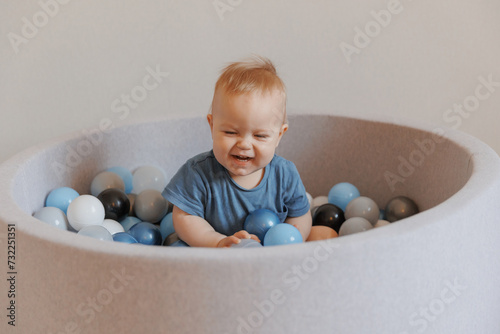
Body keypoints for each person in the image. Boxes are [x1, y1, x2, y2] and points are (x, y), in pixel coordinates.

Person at [164, 55, 311, 247]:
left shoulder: (285, 174)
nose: (244, 144)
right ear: (212, 125)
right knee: (180, 254)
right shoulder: (197, 173)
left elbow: (300, 216)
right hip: (212, 259)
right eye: (231, 132)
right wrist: (217, 242)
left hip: (270, 261)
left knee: (321, 235)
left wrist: (289, 242)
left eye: (260, 136)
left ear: (279, 136)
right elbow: (184, 218)